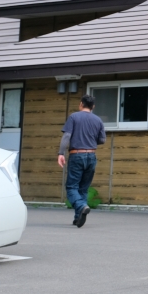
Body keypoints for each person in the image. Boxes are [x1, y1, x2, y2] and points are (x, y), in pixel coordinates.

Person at [57, 94, 106, 228]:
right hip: (91, 155)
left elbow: (67, 136)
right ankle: (78, 218)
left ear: (81, 104)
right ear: (93, 107)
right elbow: (102, 140)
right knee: (83, 188)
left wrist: (61, 153)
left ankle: (81, 206)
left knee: (71, 187)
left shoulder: (74, 117)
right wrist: (90, 140)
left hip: (76, 155)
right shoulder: (98, 120)